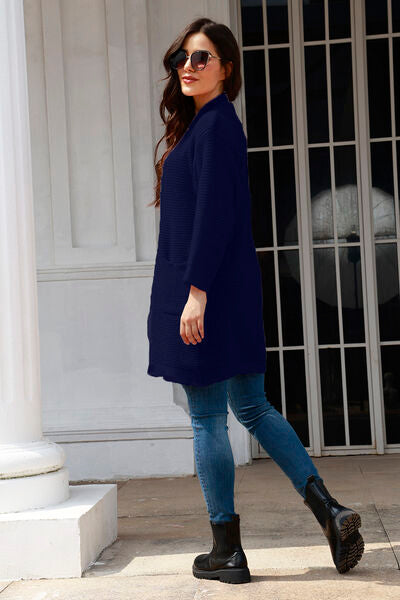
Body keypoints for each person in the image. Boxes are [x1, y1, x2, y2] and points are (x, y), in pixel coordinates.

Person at [146, 17, 364, 584]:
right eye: (182, 58)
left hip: (207, 291)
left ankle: (227, 549)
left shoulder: (216, 127)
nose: (188, 67)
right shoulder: (208, 125)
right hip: (229, 288)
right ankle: (328, 510)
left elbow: (214, 216)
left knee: (206, 418)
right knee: (252, 406)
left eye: (201, 58)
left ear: (226, 67)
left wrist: (195, 294)